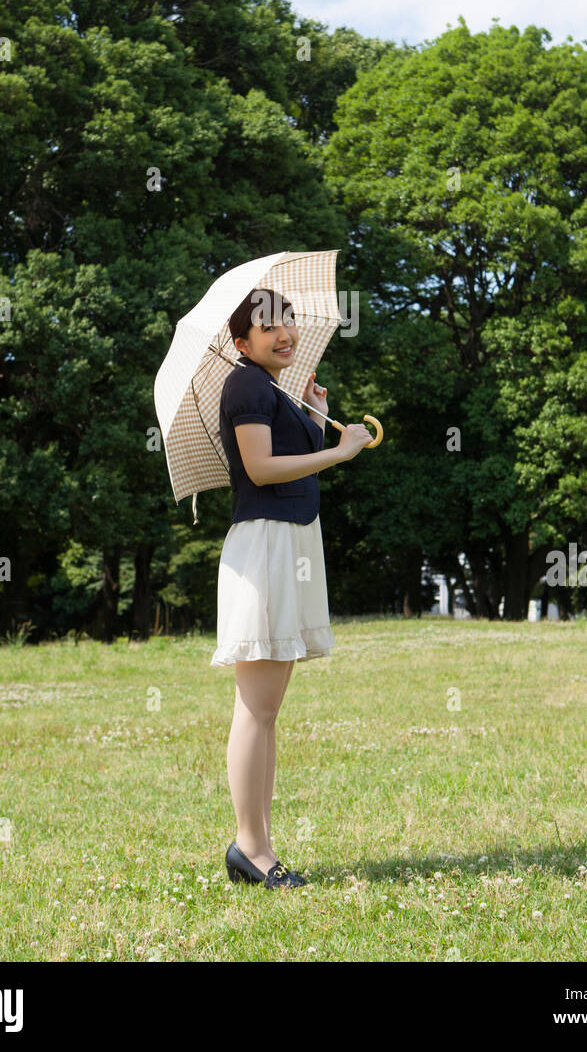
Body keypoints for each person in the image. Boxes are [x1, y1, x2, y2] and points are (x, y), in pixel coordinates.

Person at [213, 287, 372, 889]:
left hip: (291, 544)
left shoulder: (273, 389)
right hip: (267, 547)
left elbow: (285, 447)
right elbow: (260, 468)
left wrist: (311, 412)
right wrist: (338, 451)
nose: (283, 334)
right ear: (241, 343)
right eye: (267, 327)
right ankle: (250, 850)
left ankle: (257, 845)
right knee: (257, 708)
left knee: (266, 709)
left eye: (288, 322)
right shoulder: (247, 385)